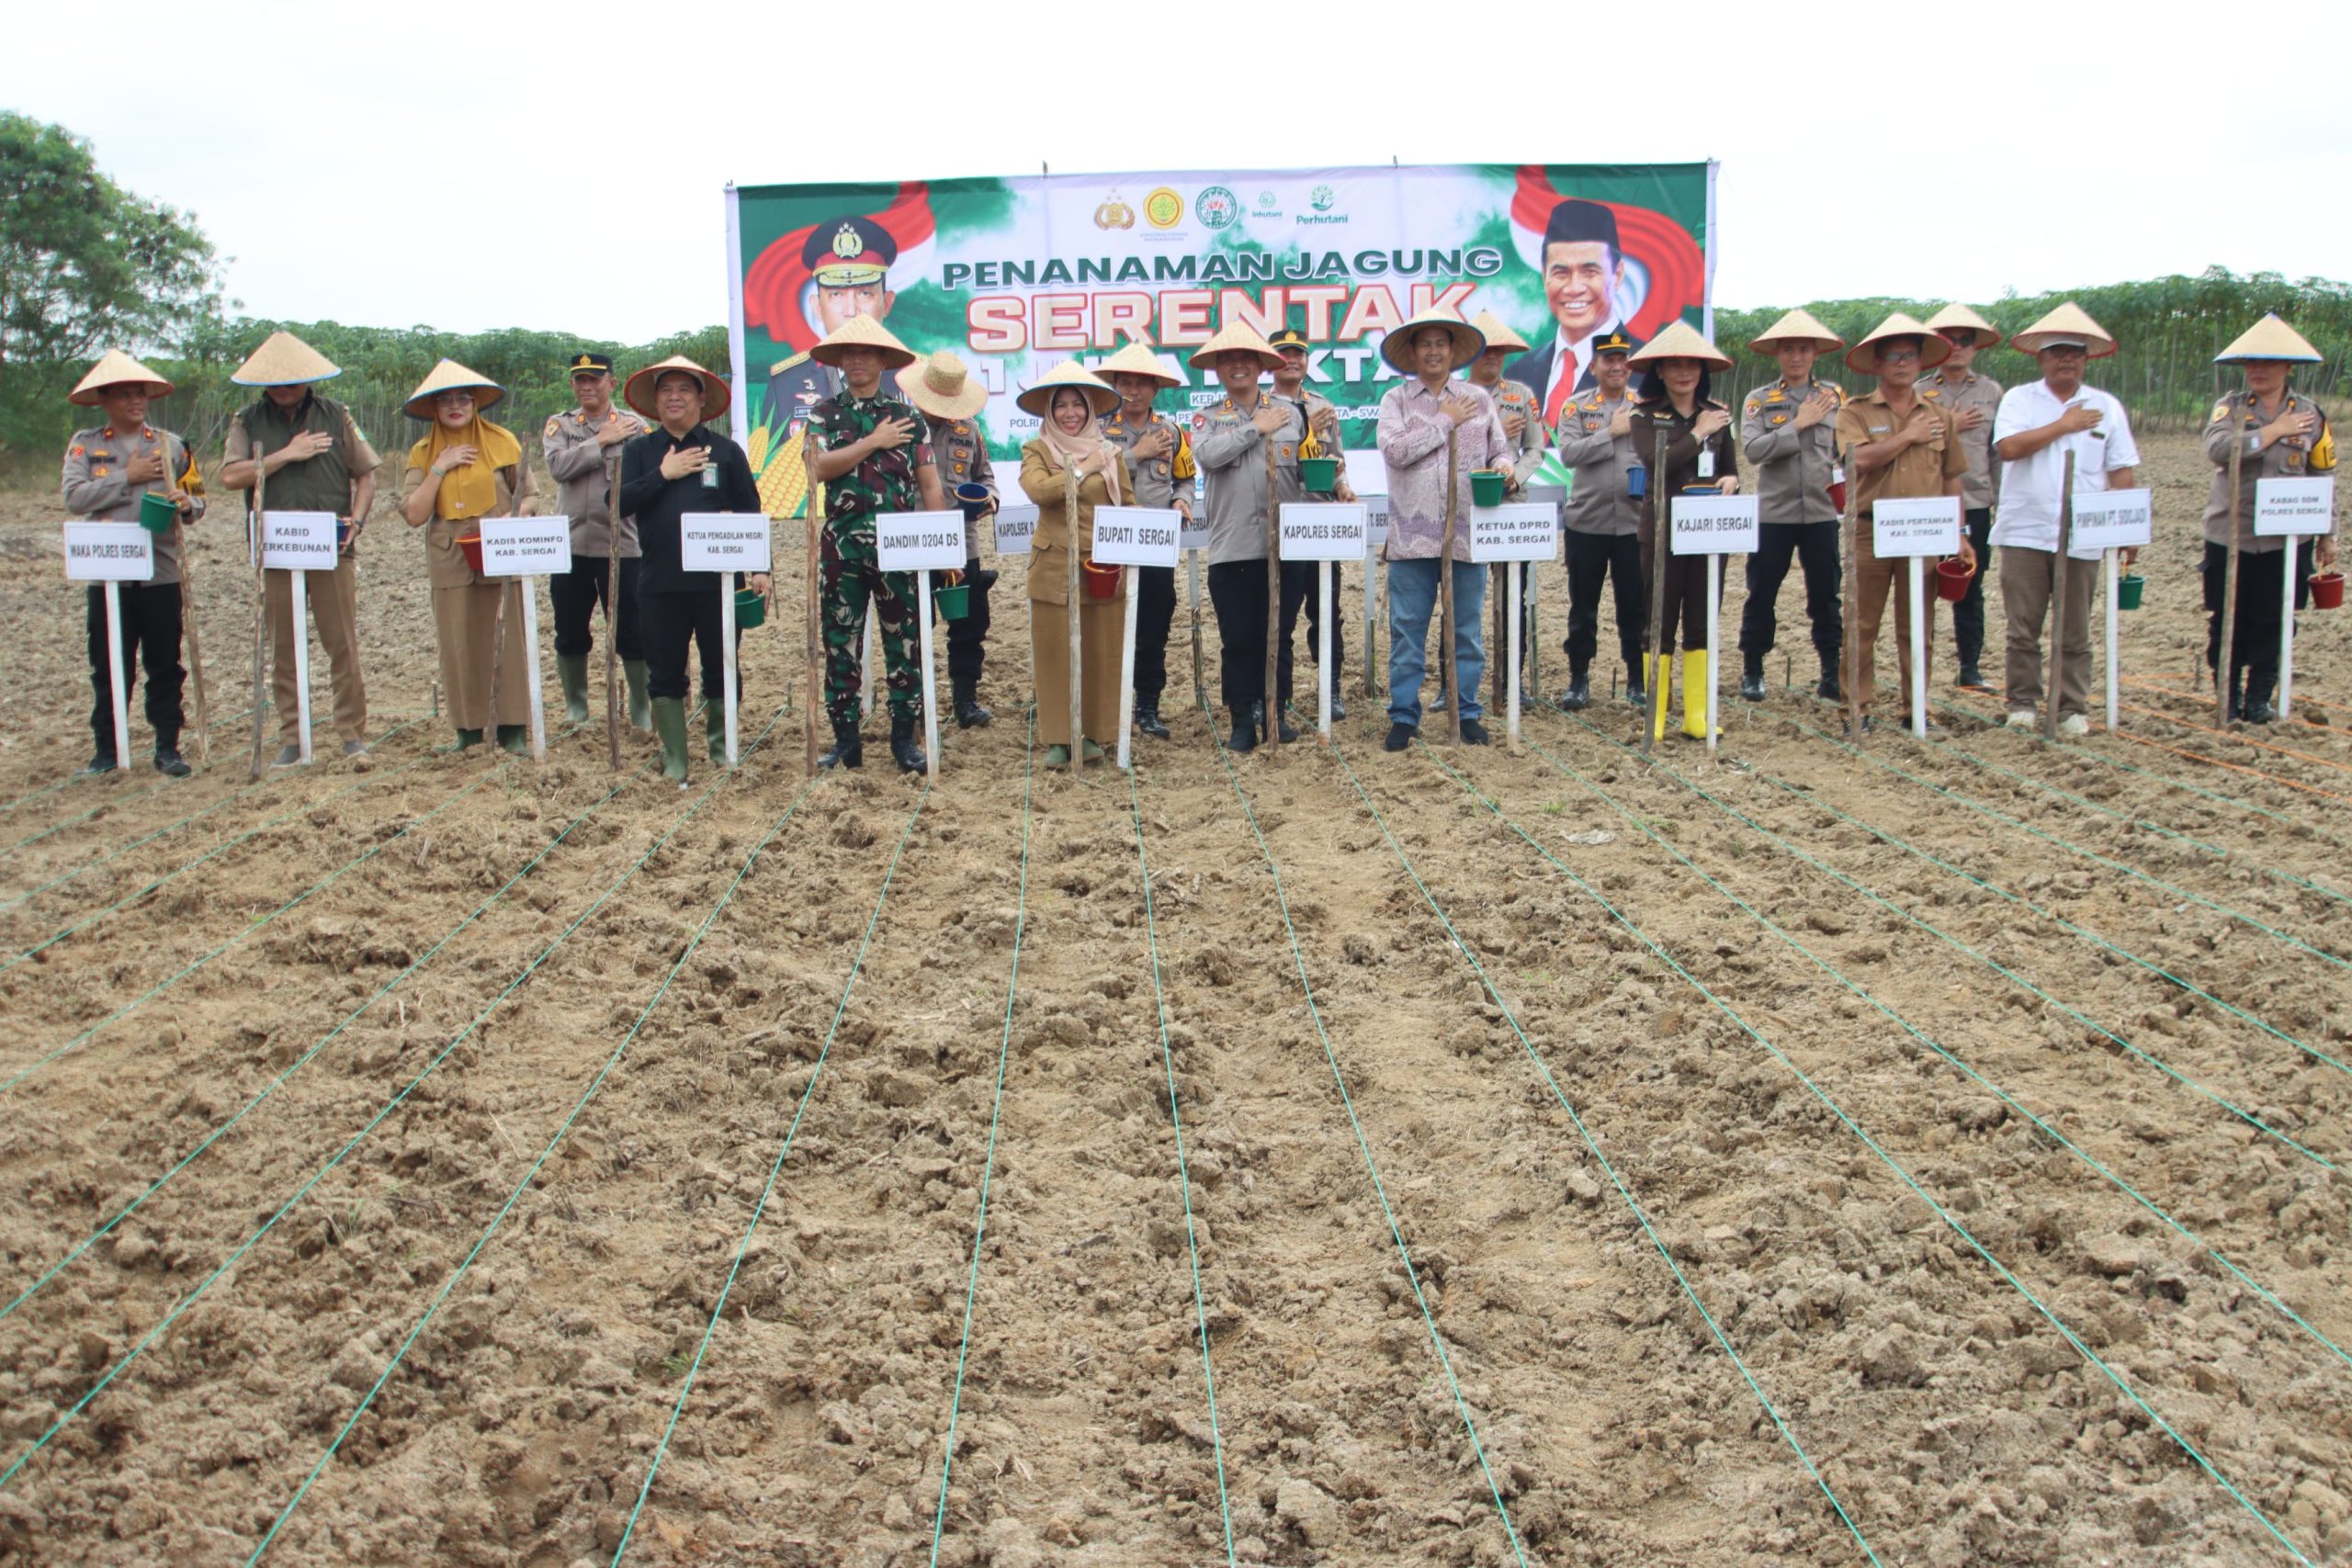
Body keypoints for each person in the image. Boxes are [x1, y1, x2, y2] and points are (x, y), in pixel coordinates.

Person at [219, 331, 379, 764]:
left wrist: (358, 521)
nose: (284, 385)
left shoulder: (336, 414)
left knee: (342, 642)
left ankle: (351, 734)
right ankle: (293, 736)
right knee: (284, 647)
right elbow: (232, 476)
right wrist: (287, 454)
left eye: (293, 377)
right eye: (275, 378)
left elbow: (366, 474)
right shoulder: (247, 421)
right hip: (276, 549)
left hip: (331, 546)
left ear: (307, 377)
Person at [617, 355, 771, 781]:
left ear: (701, 399)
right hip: (660, 582)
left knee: (722, 664)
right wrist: (663, 475)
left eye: (684, 389)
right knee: (664, 670)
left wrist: (760, 568)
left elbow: (748, 509)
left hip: (717, 585)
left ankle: (722, 751)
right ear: (655, 400)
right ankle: (675, 759)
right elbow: (619, 503)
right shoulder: (640, 451)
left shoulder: (725, 451)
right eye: (666, 390)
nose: (674, 397)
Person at [803, 315, 945, 773]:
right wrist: (873, 441)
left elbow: (930, 486)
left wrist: (941, 547)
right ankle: (846, 741)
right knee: (840, 644)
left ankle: (904, 739)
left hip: (900, 549)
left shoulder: (908, 418)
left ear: (884, 360)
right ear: (841, 362)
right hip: (841, 550)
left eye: (867, 352)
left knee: (904, 644)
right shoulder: (823, 414)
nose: (858, 360)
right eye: (850, 353)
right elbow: (818, 469)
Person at [1990, 303, 2140, 735]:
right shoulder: (2020, 399)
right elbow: (2010, 449)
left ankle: (2071, 707)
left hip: (2083, 533)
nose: (2066, 359)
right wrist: (2064, 424)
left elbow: (2122, 469)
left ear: (2086, 358)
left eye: (2075, 352)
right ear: (2042, 357)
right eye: (2057, 351)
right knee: (2023, 627)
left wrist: (2126, 526)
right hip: (2025, 529)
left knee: (2075, 628)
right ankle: (2022, 703)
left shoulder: (2107, 407)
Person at [61, 351, 203, 776]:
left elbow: (199, 498)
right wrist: (129, 477)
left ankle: (167, 748)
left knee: (165, 664)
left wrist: (188, 502)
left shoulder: (171, 445)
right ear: (104, 399)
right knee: (108, 666)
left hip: (160, 572)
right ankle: (107, 750)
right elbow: (74, 498)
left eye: (140, 393)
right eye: (124, 394)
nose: (135, 401)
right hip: (109, 577)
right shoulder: (86, 445)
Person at [1374, 307, 1511, 751]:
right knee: (1407, 631)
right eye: (1425, 344)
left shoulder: (1480, 398)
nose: (1433, 352)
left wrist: (1505, 467)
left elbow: (1500, 449)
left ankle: (1466, 710)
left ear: (1454, 351)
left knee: (1466, 631)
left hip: (1467, 533)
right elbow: (1396, 451)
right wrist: (1444, 419)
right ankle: (1403, 715)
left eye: (1441, 344)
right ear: (1412, 353)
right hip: (1411, 538)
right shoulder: (1395, 400)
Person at [1835, 316, 1974, 728]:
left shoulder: (1940, 416)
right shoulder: (1855, 413)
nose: (1901, 364)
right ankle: (1855, 709)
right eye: (1892, 356)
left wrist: (1961, 533)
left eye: (1909, 356)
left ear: (1919, 362)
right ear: (1877, 364)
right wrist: (1908, 436)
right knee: (1861, 625)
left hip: (1924, 535)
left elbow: (1951, 477)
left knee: (1919, 626)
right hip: (1870, 530)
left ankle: (1917, 708)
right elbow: (1855, 461)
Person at [2201, 313, 2336, 723]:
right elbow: (2219, 451)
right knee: (2228, 617)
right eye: (2251, 364)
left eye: (2269, 363)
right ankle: (2228, 698)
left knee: (2275, 619)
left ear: (2288, 367)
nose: (2258, 371)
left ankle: (2260, 699)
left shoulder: (2312, 415)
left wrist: (2329, 534)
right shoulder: (2230, 407)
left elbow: (2323, 474)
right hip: (2231, 535)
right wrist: (2274, 431)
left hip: (2286, 540)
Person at [398, 361, 539, 752]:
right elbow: (413, 513)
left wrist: (513, 516)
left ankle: (513, 731)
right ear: (434, 408)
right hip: (450, 557)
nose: (455, 406)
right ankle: (469, 732)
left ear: (475, 403)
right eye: (446, 400)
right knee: (458, 642)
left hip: (497, 549)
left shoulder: (501, 442)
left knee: (506, 636)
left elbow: (531, 495)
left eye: (463, 398)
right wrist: (440, 469)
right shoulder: (423, 452)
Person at [1192, 321, 1305, 751]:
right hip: (1233, 546)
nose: (1238, 366)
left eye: (1246, 359)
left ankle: (1275, 711)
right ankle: (1242, 720)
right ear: (1218, 369)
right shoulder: (1207, 418)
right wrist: (1254, 427)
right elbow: (1208, 454)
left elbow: (1307, 467)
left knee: (1278, 633)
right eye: (1229, 360)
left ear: (1261, 366)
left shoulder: (1291, 413)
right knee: (1238, 638)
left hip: (1284, 545)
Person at [1628, 321, 1740, 741]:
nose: (1683, 372)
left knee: (1701, 621)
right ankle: (1654, 716)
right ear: (1659, 370)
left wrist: (1731, 480)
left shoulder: (1719, 414)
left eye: (1691, 364)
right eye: (1674, 364)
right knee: (1658, 621)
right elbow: (1657, 463)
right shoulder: (1644, 415)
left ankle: (1697, 715)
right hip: (1662, 532)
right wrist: (1696, 433)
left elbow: (1730, 467)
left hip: (1710, 531)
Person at [1018, 363, 1133, 766]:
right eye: (1061, 406)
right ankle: (1058, 738)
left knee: (1100, 649)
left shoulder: (1111, 452)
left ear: (1089, 410)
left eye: (1077, 405)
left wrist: (1136, 545)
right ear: (1050, 412)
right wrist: (1083, 468)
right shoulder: (1036, 450)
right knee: (1053, 651)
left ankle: (1093, 734)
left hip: (1102, 566)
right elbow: (1039, 491)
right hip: (1052, 565)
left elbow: (1129, 505)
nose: (1070, 413)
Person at [1736, 309, 1849, 704]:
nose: (1796, 357)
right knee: (1761, 592)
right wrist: (1797, 424)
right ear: (1777, 355)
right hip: (1773, 515)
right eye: (1788, 350)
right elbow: (1752, 450)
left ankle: (1830, 671)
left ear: (1815, 353)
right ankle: (1753, 669)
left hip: (1821, 513)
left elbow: (1845, 451)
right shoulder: (1760, 400)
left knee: (1825, 594)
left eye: (1804, 349)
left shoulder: (1833, 397)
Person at [760, 215, 899, 523]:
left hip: (895, 524)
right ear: (817, 306)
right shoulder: (785, 383)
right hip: (835, 530)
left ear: (887, 302)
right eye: (836, 295)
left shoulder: (914, 377)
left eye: (865, 293)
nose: (851, 310)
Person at [543, 352, 650, 728]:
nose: (587, 386)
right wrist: (600, 441)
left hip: (621, 546)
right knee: (570, 628)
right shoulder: (561, 426)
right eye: (580, 380)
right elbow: (558, 468)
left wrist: (602, 442)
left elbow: (645, 478)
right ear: (572, 384)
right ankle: (577, 706)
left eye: (595, 379)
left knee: (631, 629)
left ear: (611, 383)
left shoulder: (635, 428)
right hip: (569, 547)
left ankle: (640, 706)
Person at [1096, 340, 1195, 739]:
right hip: (1111, 542)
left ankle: (1148, 705)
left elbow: (1186, 477)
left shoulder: (1171, 431)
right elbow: (1091, 473)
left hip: (1156, 544)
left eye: (1141, 384)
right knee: (1111, 622)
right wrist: (1135, 453)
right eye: (1125, 383)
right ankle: (1108, 703)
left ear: (1155, 388)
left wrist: (1181, 500)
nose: (1133, 391)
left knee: (1155, 623)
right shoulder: (1100, 431)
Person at [897, 350, 998, 729]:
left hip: (962, 542)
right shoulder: (900, 428)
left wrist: (991, 499)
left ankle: (965, 701)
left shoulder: (968, 430)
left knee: (970, 623)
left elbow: (986, 477)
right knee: (912, 624)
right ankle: (915, 702)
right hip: (911, 543)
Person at [1553, 329, 1646, 711]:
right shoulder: (1576, 407)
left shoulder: (1646, 406)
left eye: (1623, 359)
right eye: (1608, 360)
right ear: (1593, 367)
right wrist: (1611, 432)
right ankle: (1579, 678)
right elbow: (1570, 454)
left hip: (1634, 524)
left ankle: (1636, 680)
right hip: (1586, 523)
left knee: (1634, 606)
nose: (1617, 366)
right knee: (1583, 606)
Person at [1269, 326, 1357, 720]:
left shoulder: (1323, 404)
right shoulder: (1263, 409)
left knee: (1326, 613)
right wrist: (1307, 429)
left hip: (1320, 527)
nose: (1292, 360)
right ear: (1271, 361)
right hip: (1283, 526)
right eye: (1284, 353)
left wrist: (1342, 486)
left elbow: (1335, 459)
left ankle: (1331, 690)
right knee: (1281, 616)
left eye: (1299, 353)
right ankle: (1281, 695)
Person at [1506, 198, 1643, 434]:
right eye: (1560, 272)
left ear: (1617, 275)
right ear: (1544, 277)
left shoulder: (1645, 368)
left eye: (1590, 272)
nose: (1574, 287)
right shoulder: (1519, 373)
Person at [1922, 305, 2005, 688]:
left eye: (1965, 340)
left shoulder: (1991, 392)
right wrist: (1948, 424)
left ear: (1975, 347)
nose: (1956, 347)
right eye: (1948, 340)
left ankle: (1969, 668)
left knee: (1971, 585)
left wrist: (1999, 499)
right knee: (1923, 585)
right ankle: (1920, 670)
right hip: (1927, 504)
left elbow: (1996, 452)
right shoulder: (1920, 390)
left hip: (1975, 502)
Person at [1468, 310, 1549, 688]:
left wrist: (1516, 477)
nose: (1492, 357)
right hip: (1465, 509)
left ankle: (1511, 682)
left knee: (1510, 596)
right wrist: (1493, 428)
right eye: (1485, 349)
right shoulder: (1456, 396)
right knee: (1461, 602)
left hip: (1510, 508)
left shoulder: (1522, 397)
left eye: (1499, 351)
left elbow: (1536, 449)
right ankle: (1452, 685)